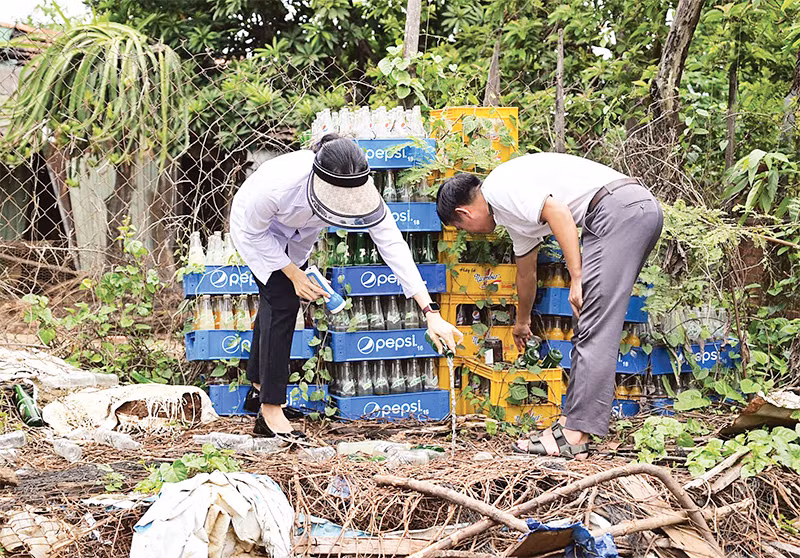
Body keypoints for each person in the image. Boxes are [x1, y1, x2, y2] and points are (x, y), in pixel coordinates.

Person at [230, 134, 463, 440]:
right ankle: (270, 411)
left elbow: (392, 244)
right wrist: (292, 273)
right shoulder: (276, 185)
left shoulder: (359, 186)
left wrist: (429, 311)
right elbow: (255, 231)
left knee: (276, 302)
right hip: (256, 233)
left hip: (297, 237)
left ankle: (258, 390)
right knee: (283, 300)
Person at [436, 153, 663, 458]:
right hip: (628, 210)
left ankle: (574, 435)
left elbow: (558, 212)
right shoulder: (509, 214)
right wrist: (522, 321)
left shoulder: (500, 188)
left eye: (462, 227)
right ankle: (572, 425)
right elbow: (526, 272)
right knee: (592, 323)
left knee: (593, 324)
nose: (469, 232)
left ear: (464, 213)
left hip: (616, 211)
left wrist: (577, 276)